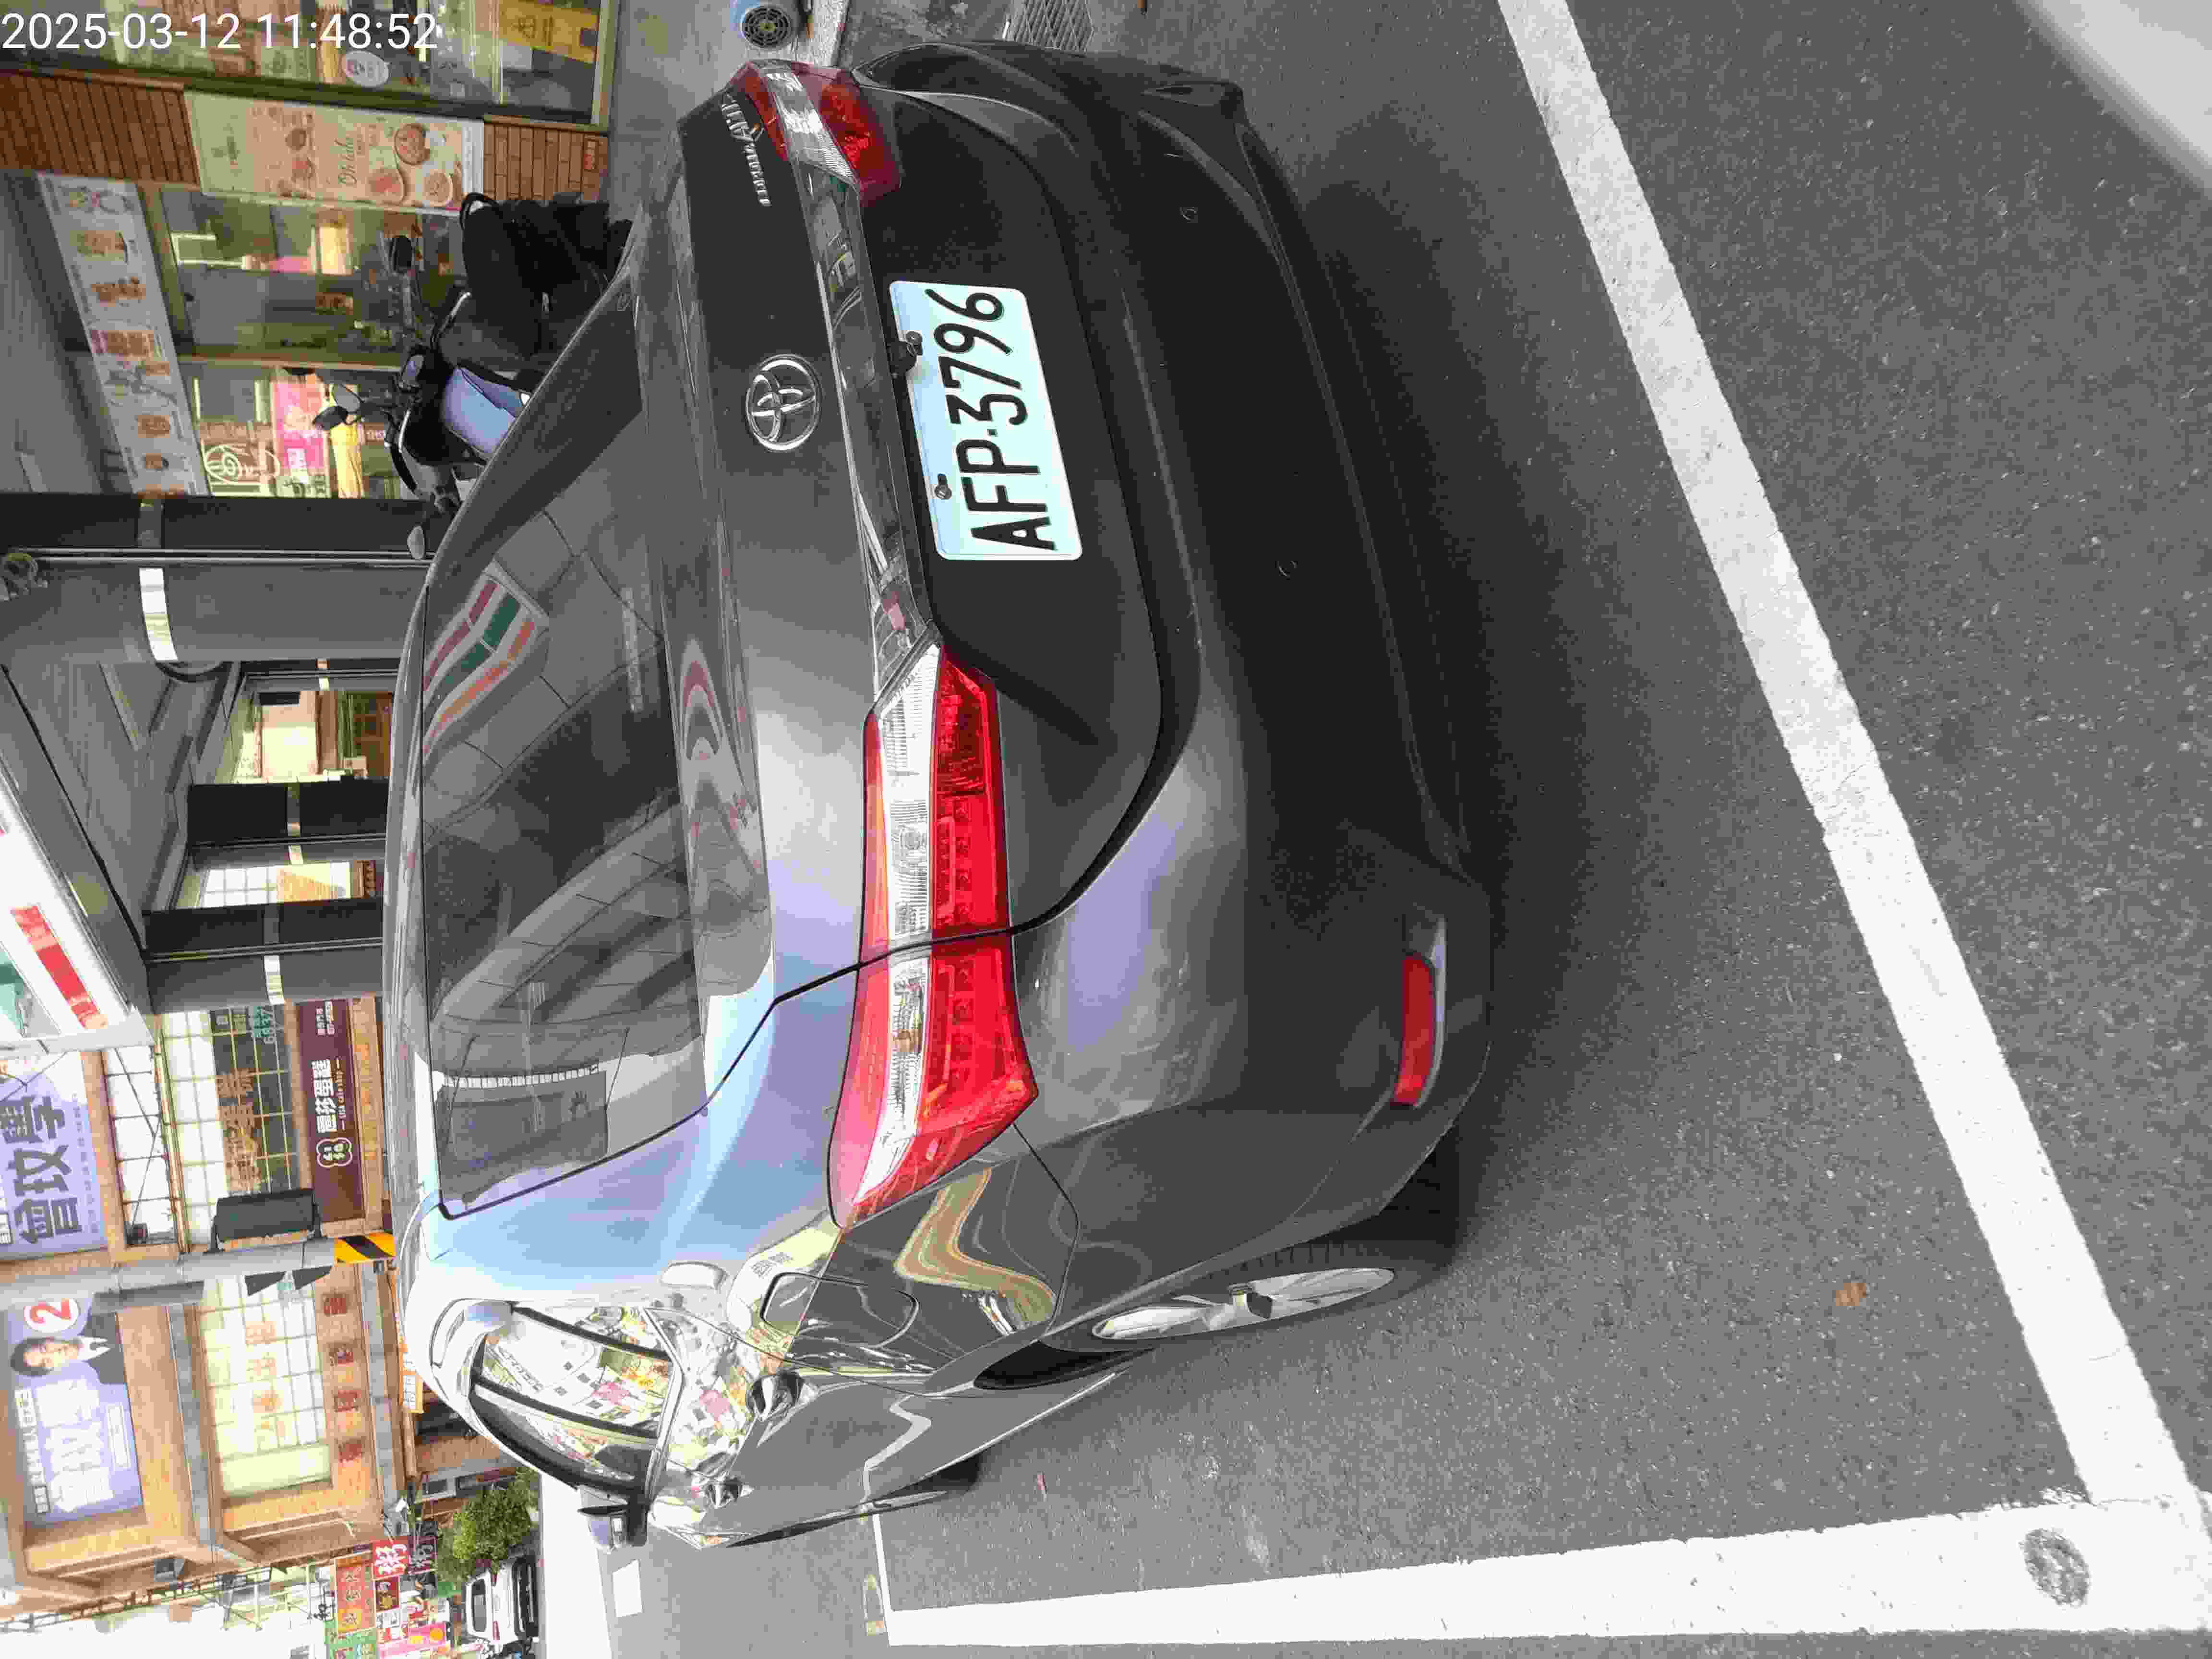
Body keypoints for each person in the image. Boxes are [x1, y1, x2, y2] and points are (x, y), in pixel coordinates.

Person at [10, 1333, 126, 1386]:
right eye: (47, 1361)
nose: (55, 1353)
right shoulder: (107, 1377)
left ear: (47, 1338)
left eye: (45, 1348)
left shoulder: (97, 1311)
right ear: (50, 1370)